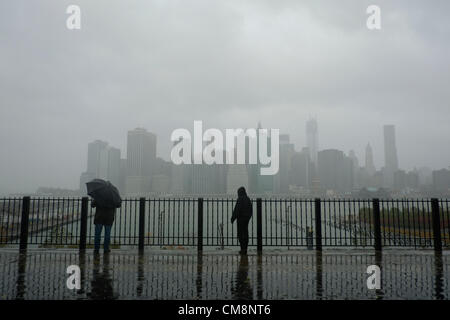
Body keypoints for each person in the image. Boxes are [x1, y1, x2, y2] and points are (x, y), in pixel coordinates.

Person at [231, 187, 253, 255]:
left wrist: (233, 218)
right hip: (246, 219)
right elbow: (251, 210)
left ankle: (242, 249)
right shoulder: (248, 199)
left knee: (240, 234)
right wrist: (248, 217)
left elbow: (237, 210)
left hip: (240, 219)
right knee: (245, 234)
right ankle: (245, 249)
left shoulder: (240, 199)